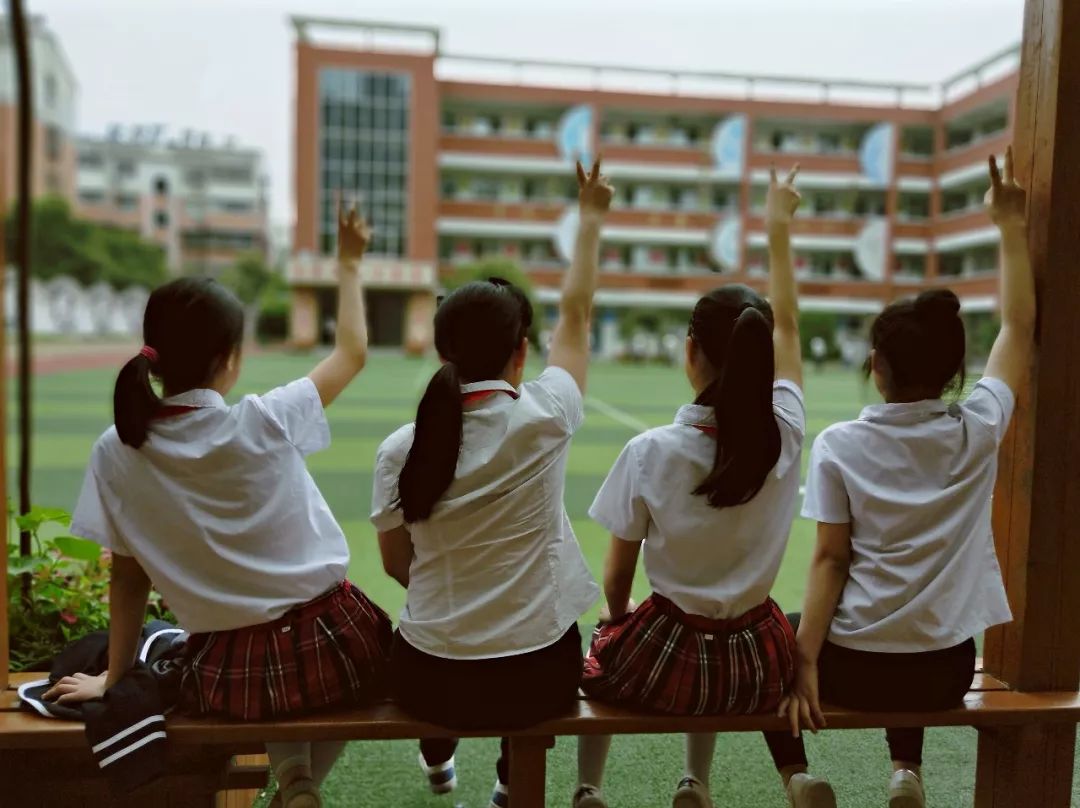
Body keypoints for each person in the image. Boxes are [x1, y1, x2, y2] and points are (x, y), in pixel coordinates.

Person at [44, 201, 390, 808]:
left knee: (276, 678)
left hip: (231, 671)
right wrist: (349, 262)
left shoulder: (117, 447)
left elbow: (126, 580)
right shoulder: (264, 419)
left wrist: (114, 675)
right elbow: (352, 354)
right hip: (336, 643)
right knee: (343, 674)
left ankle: (295, 783)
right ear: (230, 358)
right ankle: (301, 784)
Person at [764, 147, 1034, 808]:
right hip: (943, 671)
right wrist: (1010, 226)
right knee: (919, 621)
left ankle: (798, 777)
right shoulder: (978, 427)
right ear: (950, 370)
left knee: (769, 640)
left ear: (876, 365)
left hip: (851, 669)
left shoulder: (841, 446)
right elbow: (1020, 327)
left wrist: (803, 658)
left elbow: (829, 561)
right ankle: (906, 770)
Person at [371, 160, 613, 808]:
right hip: (535, 680)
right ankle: (510, 784)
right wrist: (589, 218)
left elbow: (399, 568)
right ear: (521, 352)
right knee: (551, 614)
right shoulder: (549, 414)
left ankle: (439, 756)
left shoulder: (399, 449)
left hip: (429, 678)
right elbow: (580, 314)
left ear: (442, 351)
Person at [573, 165, 806, 808]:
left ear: (692, 352)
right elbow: (788, 323)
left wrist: (614, 630)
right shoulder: (787, 433)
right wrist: (780, 225)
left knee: (601, 642)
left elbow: (618, 584)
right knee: (756, 625)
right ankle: (697, 782)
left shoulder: (651, 452)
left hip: (671, 660)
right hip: (758, 663)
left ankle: (588, 788)